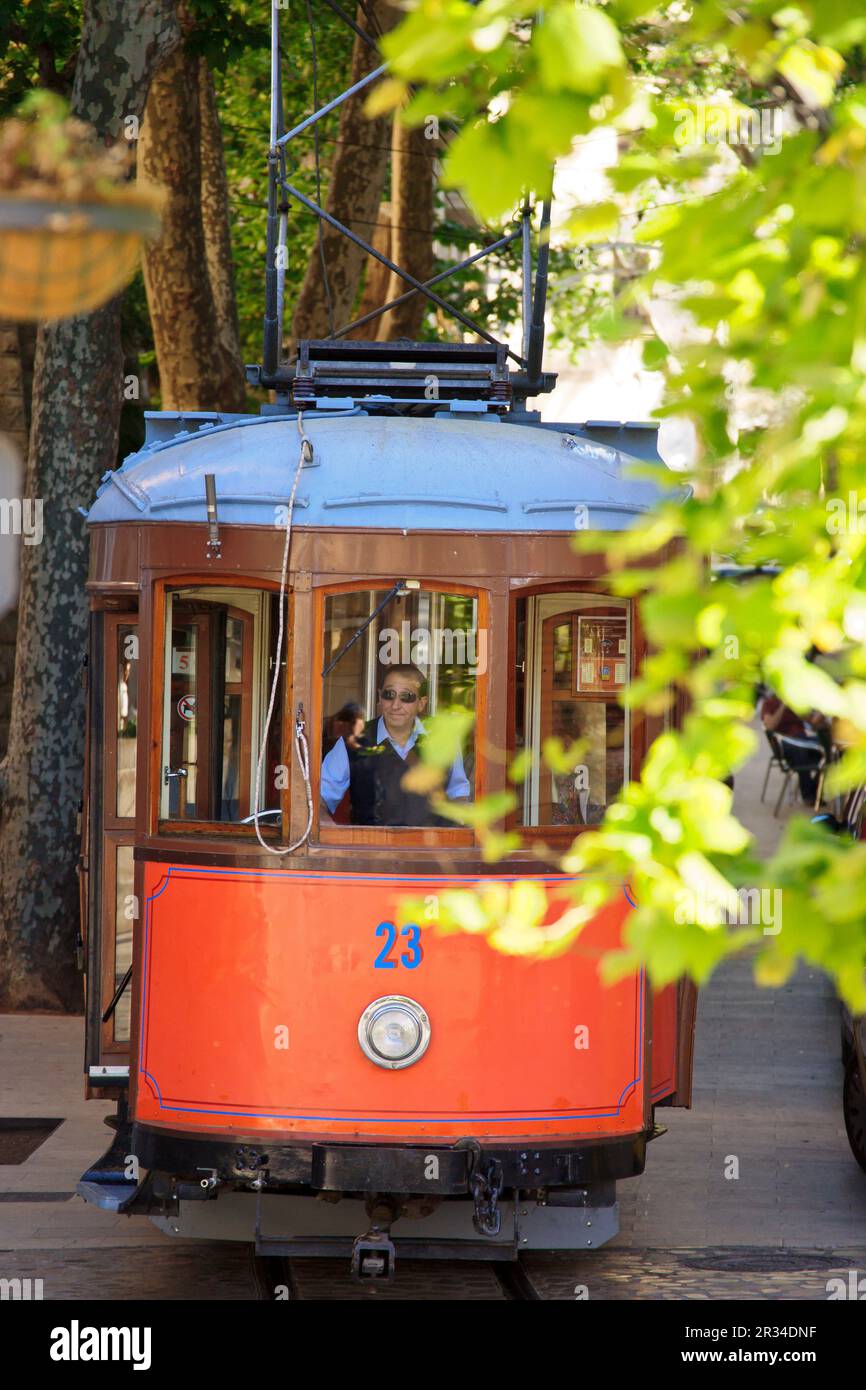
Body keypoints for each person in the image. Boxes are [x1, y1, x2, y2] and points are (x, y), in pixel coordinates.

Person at [320, 664, 470, 826]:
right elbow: (319, 797)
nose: (395, 705)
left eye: (406, 697)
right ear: (379, 697)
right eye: (389, 695)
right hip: (370, 849)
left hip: (432, 847)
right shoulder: (352, 742)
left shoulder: (443, 739)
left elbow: (458, 795)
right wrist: (328, 831)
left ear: (421, 703)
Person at [759, 692, 824, 804]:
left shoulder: (796, 702)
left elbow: (813, 724)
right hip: (784, 743)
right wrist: (783, 705)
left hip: (802, 739)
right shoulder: (769, 703)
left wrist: (820, 712)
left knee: (828, 749)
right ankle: (808, 794)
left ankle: (813, 791)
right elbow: (770, 726)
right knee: (800, 750)